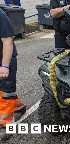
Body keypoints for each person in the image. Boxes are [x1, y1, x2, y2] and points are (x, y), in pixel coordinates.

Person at [0, 8, 26, 139]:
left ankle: (6, 125)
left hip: (5, 59)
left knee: (5, 93)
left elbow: (7, 41)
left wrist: (5, 66)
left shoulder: (0, 15)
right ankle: (19, 107)